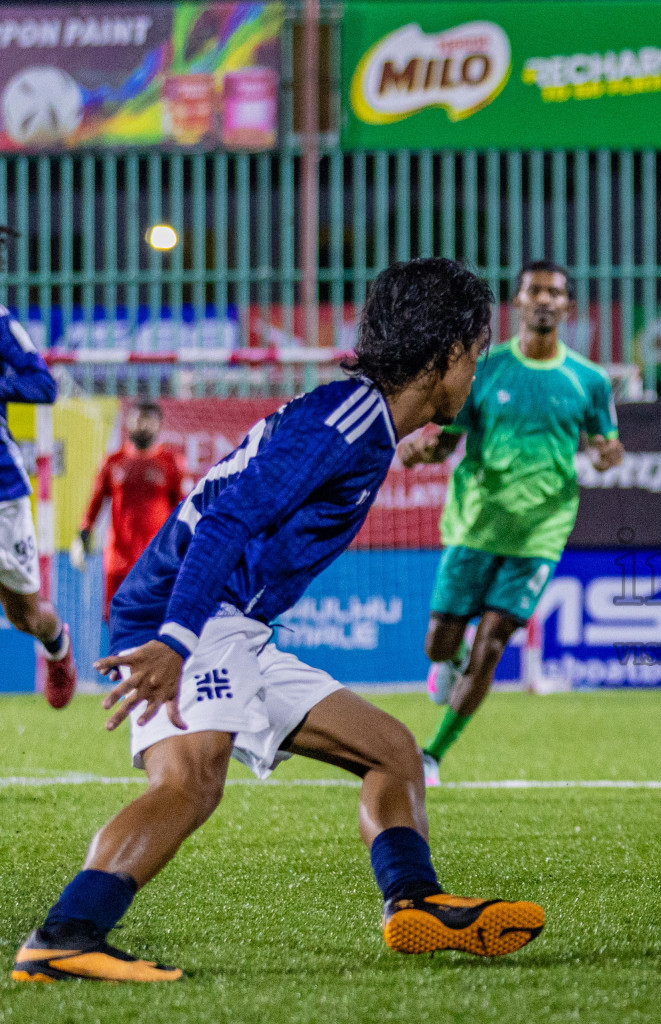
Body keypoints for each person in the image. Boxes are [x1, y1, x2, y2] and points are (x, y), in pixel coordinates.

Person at [11, 258, 544, 985]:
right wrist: (176, 638)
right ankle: (65, 935)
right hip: (192, 612)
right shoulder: (349, 420)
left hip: (225, 620)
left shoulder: (361, 420)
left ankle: (415, 901)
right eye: (476, 357)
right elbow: (229, 518)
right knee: (191, 781)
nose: (476, 373)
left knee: (391, 751)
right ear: (447, 355)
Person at [400, 260, 623, 787]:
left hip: (540, 533)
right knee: (438, 643)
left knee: (495, 641)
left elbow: (604, 440)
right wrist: (423, 449)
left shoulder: (588, 380)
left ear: (568, 307)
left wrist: (607, 452)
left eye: (555, 293)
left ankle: (432, 754)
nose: (544, 299)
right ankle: (444, 661)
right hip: (476, 524)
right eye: (534, 291)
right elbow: (449, 439)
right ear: (518, 303)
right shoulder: (486, 369)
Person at [0, 287, 77, 709]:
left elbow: (43, 385)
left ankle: (57, 646)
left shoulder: (0, 322)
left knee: (24, 617)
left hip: (2, 494)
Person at [77, 401, 187, 619]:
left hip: (157, 559)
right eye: (138, 419)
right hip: (118, 559)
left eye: (148, 420)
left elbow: (182, 509)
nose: (142, 425)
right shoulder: (113, 462)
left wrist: (182, 546)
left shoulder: (171, 462)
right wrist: (83, 534)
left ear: (158, 425)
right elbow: (95, 503)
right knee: (117, 618)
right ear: (128, 423)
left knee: (157, 621)